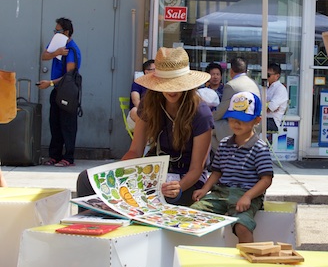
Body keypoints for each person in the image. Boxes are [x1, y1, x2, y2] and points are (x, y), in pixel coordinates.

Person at [77, 47, 213, 206]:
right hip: (153, 171)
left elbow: (196, 169)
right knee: (87, 179)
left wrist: (178, 187)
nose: (172, 89)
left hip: (186, 178)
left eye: (177, 83)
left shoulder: (201, 113)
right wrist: (117, 175)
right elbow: (134, 151)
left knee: (164, 198)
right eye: (165, 83)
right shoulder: (150, 103)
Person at [191, 91, 273, 243]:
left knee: (242, 226)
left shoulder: (260, 147)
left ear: (257, 120)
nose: (236, 124)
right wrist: (204, 189)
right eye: (232, 119)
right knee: (193, 213)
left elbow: (266, 179)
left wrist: (248, 196)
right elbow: (216, 173)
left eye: (242, 120)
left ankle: (249, 258)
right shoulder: (223, 144)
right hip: (220, 192)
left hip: (246, 194)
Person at [37, 17, 82, 167]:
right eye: (54, 30)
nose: (55, 33)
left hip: (67, 91)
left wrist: (49, 83)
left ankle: (68, 157)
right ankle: (54, 155)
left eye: (58, 31)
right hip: (56, 90)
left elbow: (69, 76)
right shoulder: (57, 44)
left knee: (67, 125)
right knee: (54, 123)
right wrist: (55, 52)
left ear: (67, 32)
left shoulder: (72, 50)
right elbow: (44, 55)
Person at [212, 56, 260, 152]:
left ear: (231, 71)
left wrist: (207, 117)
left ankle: (222, 155)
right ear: (246, 70)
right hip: (255, 127)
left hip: (237, 126)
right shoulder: (255, 84)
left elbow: (220, 111)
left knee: (206, 128)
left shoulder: (232, 85)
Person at [126, 59, 155, 131]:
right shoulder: (138, 83)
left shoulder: (158, 84)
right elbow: (135, 100)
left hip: (154, 116)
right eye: (154, 69)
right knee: (135, 110)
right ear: (146, 71)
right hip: (139, 115)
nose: (157, 72)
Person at [266, 63, 289, 132]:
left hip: (272, 121)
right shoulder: (264, 88)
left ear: (277, 76)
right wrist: (266, 105)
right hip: (263, 118)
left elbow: (271, 107)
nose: (265, 77)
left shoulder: (280, 89)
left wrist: (266, 106)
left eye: (268, 75)